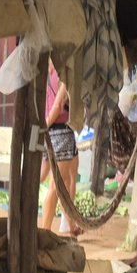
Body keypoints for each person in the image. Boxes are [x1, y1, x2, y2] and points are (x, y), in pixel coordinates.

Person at [40, 68, 81, 236]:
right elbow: (58, 106)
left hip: (48, 132)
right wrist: (46, 126)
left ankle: (70, 225)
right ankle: (44, 231)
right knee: (57, 186)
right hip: (60, 132)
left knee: (66, 179)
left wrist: (42, 129)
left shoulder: (43, 74)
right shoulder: (63, 75)